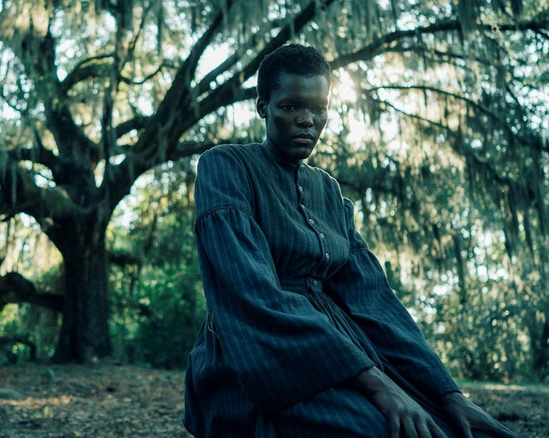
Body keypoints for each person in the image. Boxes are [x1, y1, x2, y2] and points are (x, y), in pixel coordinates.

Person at [183, 43, 517, 438]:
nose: (307, 120)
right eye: (290, 107)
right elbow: (251, 294)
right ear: (262, 107)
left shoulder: (329, 192)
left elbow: (374, 302)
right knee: (382, 429)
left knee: (456, 428)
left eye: (318, 109)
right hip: (260, 352)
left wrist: (448, 393)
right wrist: (376, 385)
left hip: (349, 350)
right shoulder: (227, 166)